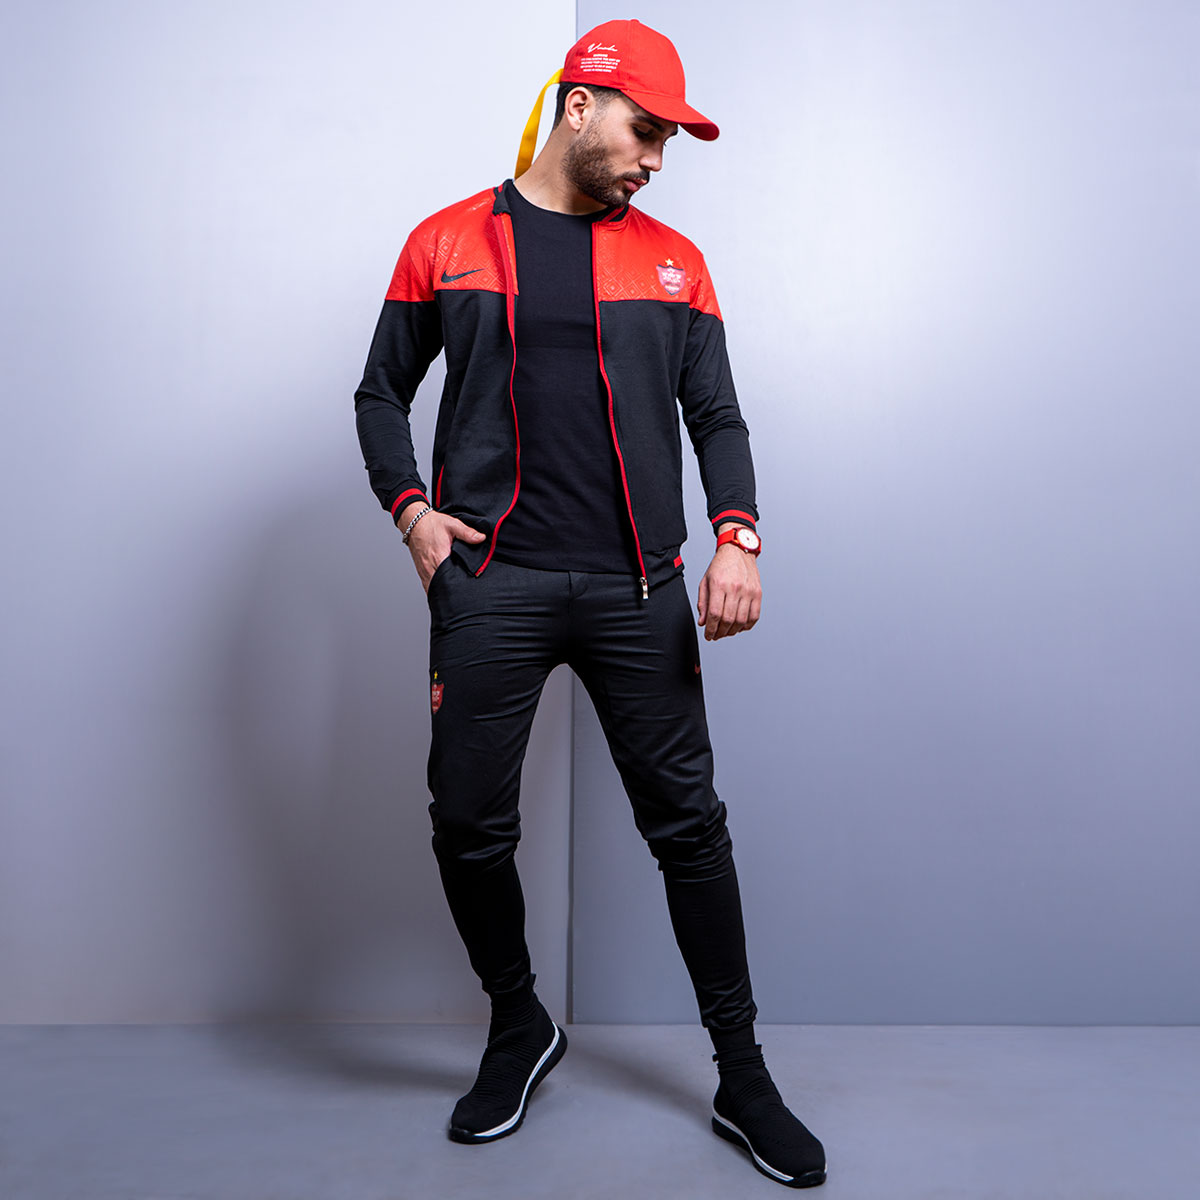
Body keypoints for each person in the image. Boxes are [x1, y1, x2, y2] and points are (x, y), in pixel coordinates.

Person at [353, 18, 827, 1189]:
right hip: (493, 584)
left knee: (689, 830)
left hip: (639, 590)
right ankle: (520, 1025)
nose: (656, 159)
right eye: (645, 131)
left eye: (668, 142)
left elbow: (718, 416)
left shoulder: (677, 263)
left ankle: (743, 1076)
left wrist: (738, 536)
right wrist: (414, 513)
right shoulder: (446, 242)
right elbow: (379, 394)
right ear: (579, 105)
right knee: (468, 822)